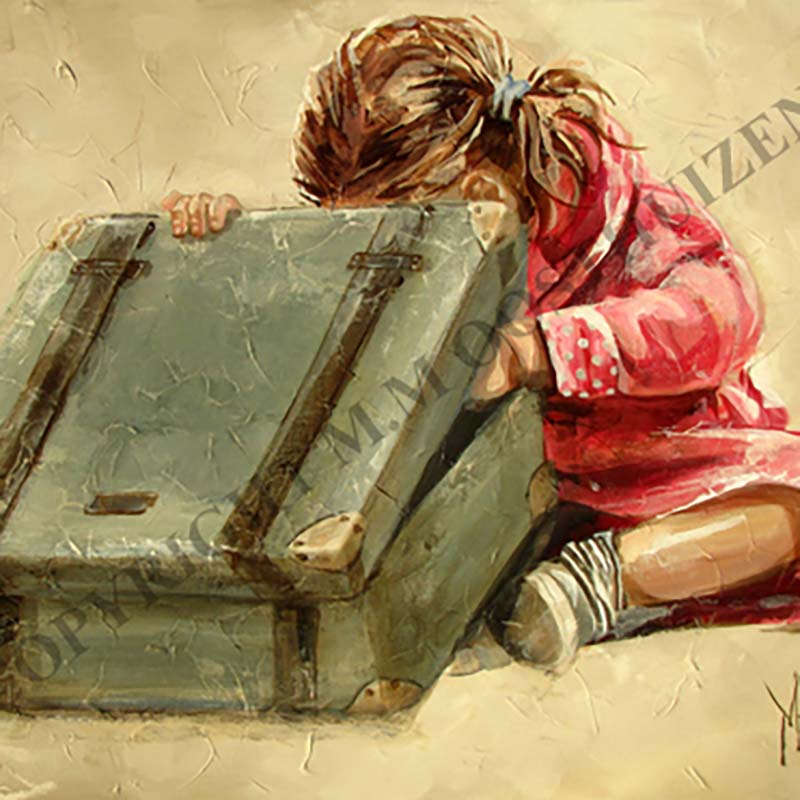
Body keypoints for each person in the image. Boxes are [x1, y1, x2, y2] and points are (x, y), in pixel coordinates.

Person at [163, 15, 800, 671]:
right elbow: (316, 302)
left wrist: (539, 350)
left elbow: (719, 313)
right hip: (519, 496)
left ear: (476, 190)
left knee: (786, 509)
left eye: (394, 225)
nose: (384, 245)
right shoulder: (424, 222)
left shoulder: (633, 219)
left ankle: (599, 582)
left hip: (671, 468)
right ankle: (507, 602)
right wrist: (229, 248)